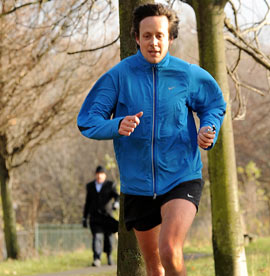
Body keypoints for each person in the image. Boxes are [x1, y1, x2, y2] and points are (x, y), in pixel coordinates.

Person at [77, 3, 226, 275]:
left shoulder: (188, 75)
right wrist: (116, 125)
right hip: (137, 186)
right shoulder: (119, 76)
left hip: (182, 175)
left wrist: (208, 129)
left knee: (170, 250)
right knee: (155, 269)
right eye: (147, 36)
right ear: (136, 38)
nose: (153, 43)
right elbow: (88, 120)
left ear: (170, 38)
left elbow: (214, 104)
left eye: (160, 36)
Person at [82, 165, 120, 267]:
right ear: (95, 175)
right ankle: (97, 258)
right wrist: (85, 217)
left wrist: (116, 203)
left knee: (109, 239)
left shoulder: (110, 185)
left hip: (107, 217)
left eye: (101, 174)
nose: (99, 176)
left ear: (105, 175)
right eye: (98, 174)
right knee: (97, 237)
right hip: (95, 217)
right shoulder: (90, 186)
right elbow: (87, 202)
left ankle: (109, 256)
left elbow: (117, 196)